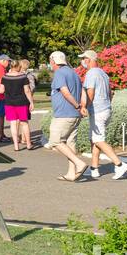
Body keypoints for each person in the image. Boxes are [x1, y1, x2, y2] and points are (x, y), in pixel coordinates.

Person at [80, 49, 127, 180]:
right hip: (106, 109)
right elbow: (110, 93)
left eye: (84, 59)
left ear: (89, 60)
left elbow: (90, 92)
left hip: (97, 111)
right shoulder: (103, 73)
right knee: (95, 139)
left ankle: (119, 164)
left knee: (98, 140)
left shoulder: (91, 73)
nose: (82, 61)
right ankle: (94, 168)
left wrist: (85, 106)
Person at [45, 50, 89, 181]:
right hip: (74, 115)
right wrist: (82, 106)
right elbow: (82, 91)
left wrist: (77, 105)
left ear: (54, 61)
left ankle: (79, 163)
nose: (50, 64)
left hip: (64, 114)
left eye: (50, 61)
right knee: (70, 144)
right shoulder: (73, 72)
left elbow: (64, 91)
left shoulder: (59, 73)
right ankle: (71, 173)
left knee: (55, 141)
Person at [1, 59, 34, 151]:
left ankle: (16, 146)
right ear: (18, 66)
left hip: (9, 102)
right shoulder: (23, 77)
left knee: (13, 124)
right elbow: (27, 90)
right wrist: (31, 102)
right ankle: (28, 144)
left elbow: (1, 90)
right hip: (22, 102)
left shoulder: (5, 77)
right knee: (24, 123)